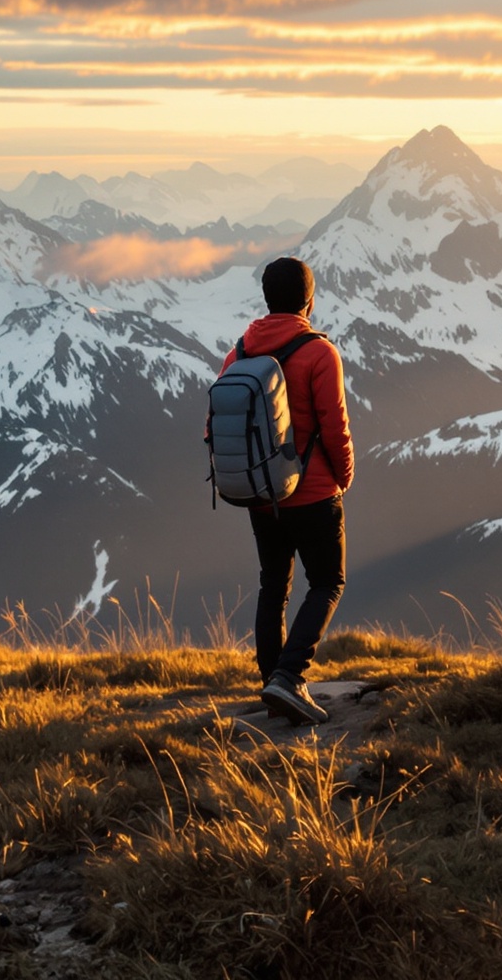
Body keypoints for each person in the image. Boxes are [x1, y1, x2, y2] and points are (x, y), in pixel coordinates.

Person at [220, 255, 353, 726]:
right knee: (327, 582)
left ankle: (272, 680)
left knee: (273, 585)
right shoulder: (319, 353)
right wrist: (344, 475)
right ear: (309, 302)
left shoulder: (238, 354)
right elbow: (334, 426)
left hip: (261, 495)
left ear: (266, 299)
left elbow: (215, 429)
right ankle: (289, 676)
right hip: (313, 492)